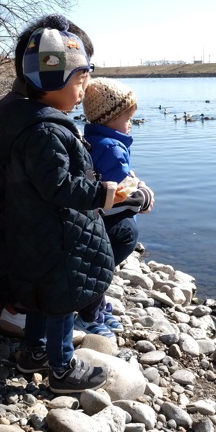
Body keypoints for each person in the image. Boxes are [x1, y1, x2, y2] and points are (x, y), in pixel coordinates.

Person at [0, 15, 143, 393]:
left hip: (30, 231)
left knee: (38, 299)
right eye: (80, 80)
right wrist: (105, 193)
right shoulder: (47, 130)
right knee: (58, 303)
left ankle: (32, 353)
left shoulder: (23, 116)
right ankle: (61, 368)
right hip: (52, 236)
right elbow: (57, 185)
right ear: (55, 84)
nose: (84, 91)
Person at [74, 78, 154, 335]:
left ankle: (96, 305)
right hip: (105, 215)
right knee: (105, 261)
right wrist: (141, 198)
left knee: (101, 261)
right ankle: (88, 315)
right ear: (110, 119)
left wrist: (136, 181)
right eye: (126, 118)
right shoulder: (112, 148)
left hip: (95, 212)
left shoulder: (95, 138)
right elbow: (119, 190)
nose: (130, 124)